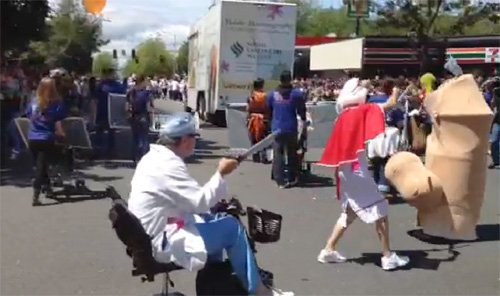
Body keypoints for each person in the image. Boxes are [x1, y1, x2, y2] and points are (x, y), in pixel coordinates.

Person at [127, 112, 294, 296]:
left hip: (152, 233)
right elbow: (199, 202)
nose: (195, 141)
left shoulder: (154, 159)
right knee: (232, 228)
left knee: (214, 221)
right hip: (162, 241)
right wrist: (221, 173)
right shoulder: (169, 165)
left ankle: (215, 289)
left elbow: (185, 200)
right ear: (185, 140)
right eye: (194, 137)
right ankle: (260, 291)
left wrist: (210, 206)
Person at [316, 78, 410, 271]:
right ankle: (387, 256)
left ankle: (328, 249)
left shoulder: (344, 115)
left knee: (350, 213)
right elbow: (391, 104)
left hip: (345, 170)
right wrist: (395, 90)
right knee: (380, 210)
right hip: (356, 170)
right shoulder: (362, 110)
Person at [26, 77, 68, 206]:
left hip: (33, 138)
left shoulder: (33, 103)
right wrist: (63, 135)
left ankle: (48, 188)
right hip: (47, 138)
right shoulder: (56, 104)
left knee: (40, 166)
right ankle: (36, 195)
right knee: (41, 167)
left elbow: (29, 118)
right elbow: (58, 124)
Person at [267, 70, 306, 188]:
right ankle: (291, 177)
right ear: (290, 79)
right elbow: (302, 111)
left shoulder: (272, 94)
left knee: (278, 154)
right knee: (291, 153)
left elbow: (268, 110)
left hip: (276, 127)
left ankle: (280, 181)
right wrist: (303, 121)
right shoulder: (296, 94)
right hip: (291, 127)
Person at [93, 67, 126, 158]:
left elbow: (123, 96)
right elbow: (95, 99)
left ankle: (111, 151)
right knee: (99, 132)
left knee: (111, 133)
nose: (109, 76)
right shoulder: (101, 86)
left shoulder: (117, 85)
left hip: (112, 113)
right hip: (101, 112)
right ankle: (97, 151)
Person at [126, 75, 154, 163]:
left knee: (135, 137)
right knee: (145, 137)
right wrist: (152, 116)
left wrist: (129, 115)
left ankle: (135, 157)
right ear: (142, 82)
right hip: (144, 116)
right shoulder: (146, 93)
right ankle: (144, 157)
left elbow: (127, 106)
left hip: (134, 116)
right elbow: (150, 106)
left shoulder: (131, 92)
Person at [247, 78, 270, 163]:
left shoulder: (251, 96)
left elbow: (248, 108)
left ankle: (255, 156)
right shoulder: (265, 96)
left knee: (253, 139)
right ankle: (264, 156)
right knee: (264, 139)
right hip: (264, 119)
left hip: (252, 119)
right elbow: (268, 107)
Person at [489, 86, 500, 169]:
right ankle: (495, 161)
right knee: (494, 142)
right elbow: (493, 107)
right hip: (497, 122)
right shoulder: (496, 91)